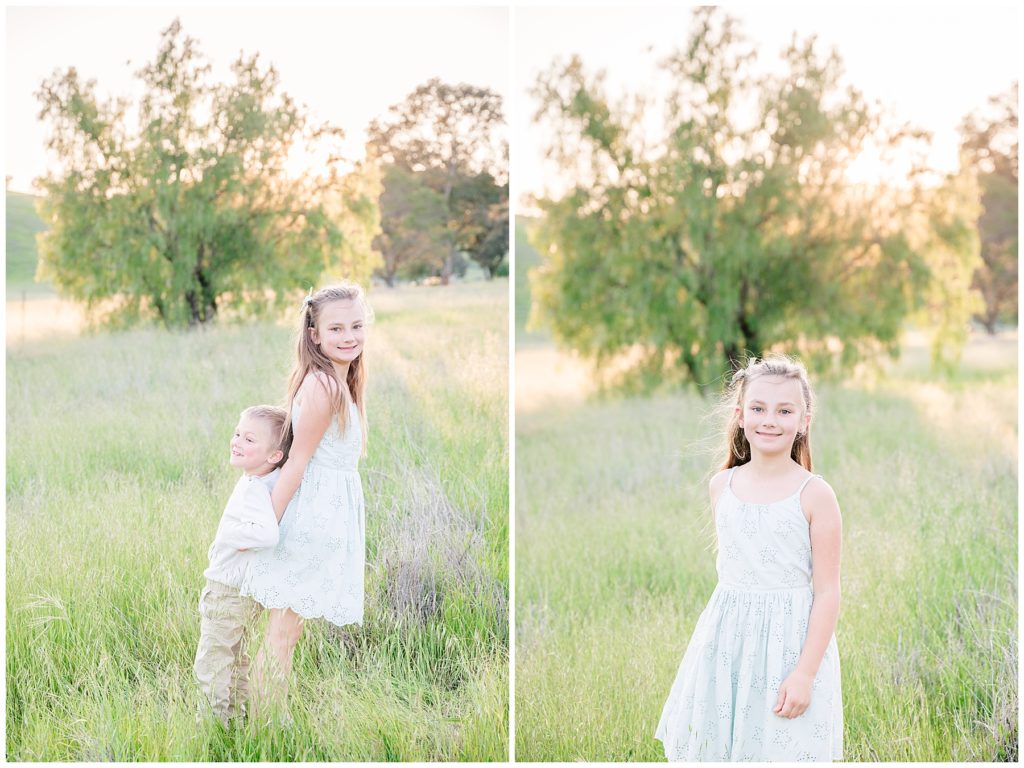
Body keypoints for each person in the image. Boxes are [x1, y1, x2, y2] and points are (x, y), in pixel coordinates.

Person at [655, 356, 843, 761]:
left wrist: (805, 674)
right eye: (758, 408)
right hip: (726, 644)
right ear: (740, 416)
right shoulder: (722, 486)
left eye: (784, 410)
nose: (769, 420)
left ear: (804, 420)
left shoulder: (815, 495)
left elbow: (828, 593)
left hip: (789, 647)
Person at [240, 283, 370, 721]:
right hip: (312, 519)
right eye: (336, 327)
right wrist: (265, 525)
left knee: (287, 632)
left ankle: (268, 716)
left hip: (325, 517)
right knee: (282, 633)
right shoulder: (322, 387)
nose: (348, 335)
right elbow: (296, 463)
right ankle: (265, 725)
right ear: (315, 334)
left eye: (356, 325)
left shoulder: (339, 380)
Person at [194, 404, 293, 727]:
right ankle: (234, 720)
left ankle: (213, 727)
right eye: (238, 434)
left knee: (214, 660)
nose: (237, 441)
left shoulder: (252, 487)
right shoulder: (271, 481)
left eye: (250, 440)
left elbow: (266, 534)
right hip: (246, 590)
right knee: (235, 659)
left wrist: (234, 535)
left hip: (226, 589)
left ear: (274, 455)